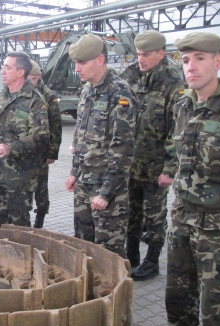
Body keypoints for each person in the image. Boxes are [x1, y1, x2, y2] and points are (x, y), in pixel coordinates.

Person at [165, 32, 220, 326]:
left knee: (215, 302)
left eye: (199, 58)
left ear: (218, 61)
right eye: (185, 60)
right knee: (177, 292)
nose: (191, 66)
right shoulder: (183, 106)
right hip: (182, 215)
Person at [65, 33, 137, 257]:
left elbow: (124, 148)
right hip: (84, 184)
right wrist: (74, 171)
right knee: (83, 246)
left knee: (109, 254)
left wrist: (106, 193)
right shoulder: (87, 91)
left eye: (82, 62)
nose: (77, 69)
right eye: (76, 63)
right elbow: (80, 135)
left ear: (100, 60)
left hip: (108, 189)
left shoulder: (120, 93)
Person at [120, 30, 185, 280]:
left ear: (162, 54)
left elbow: (177, 130)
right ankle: (132, 255)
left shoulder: (173, 81)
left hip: (156, 165)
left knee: (155, 215)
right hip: (131, 162)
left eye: (146, 55)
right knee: (131, 211)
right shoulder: (132, 74)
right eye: (138, 54)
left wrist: (170, 169)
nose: (141, 59)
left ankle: (152, 261)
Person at [0, 51, 49, 227]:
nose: (2, 71)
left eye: (7, 67)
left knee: (19, 227)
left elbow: (41, 136)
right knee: (0, 224)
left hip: (20, 176)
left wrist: (12, 148)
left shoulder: (34, 101)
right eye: (3, 67)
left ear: (20, 72)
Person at [27, 60, 62, 228]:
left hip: (41, 152)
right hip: (25, 152)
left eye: (32, 79)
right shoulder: (22, 93)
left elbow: (56, 126)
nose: (29, 82)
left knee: (41, 189)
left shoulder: (48, 96)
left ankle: (39, 220)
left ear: (39, 77)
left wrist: (52, 153)